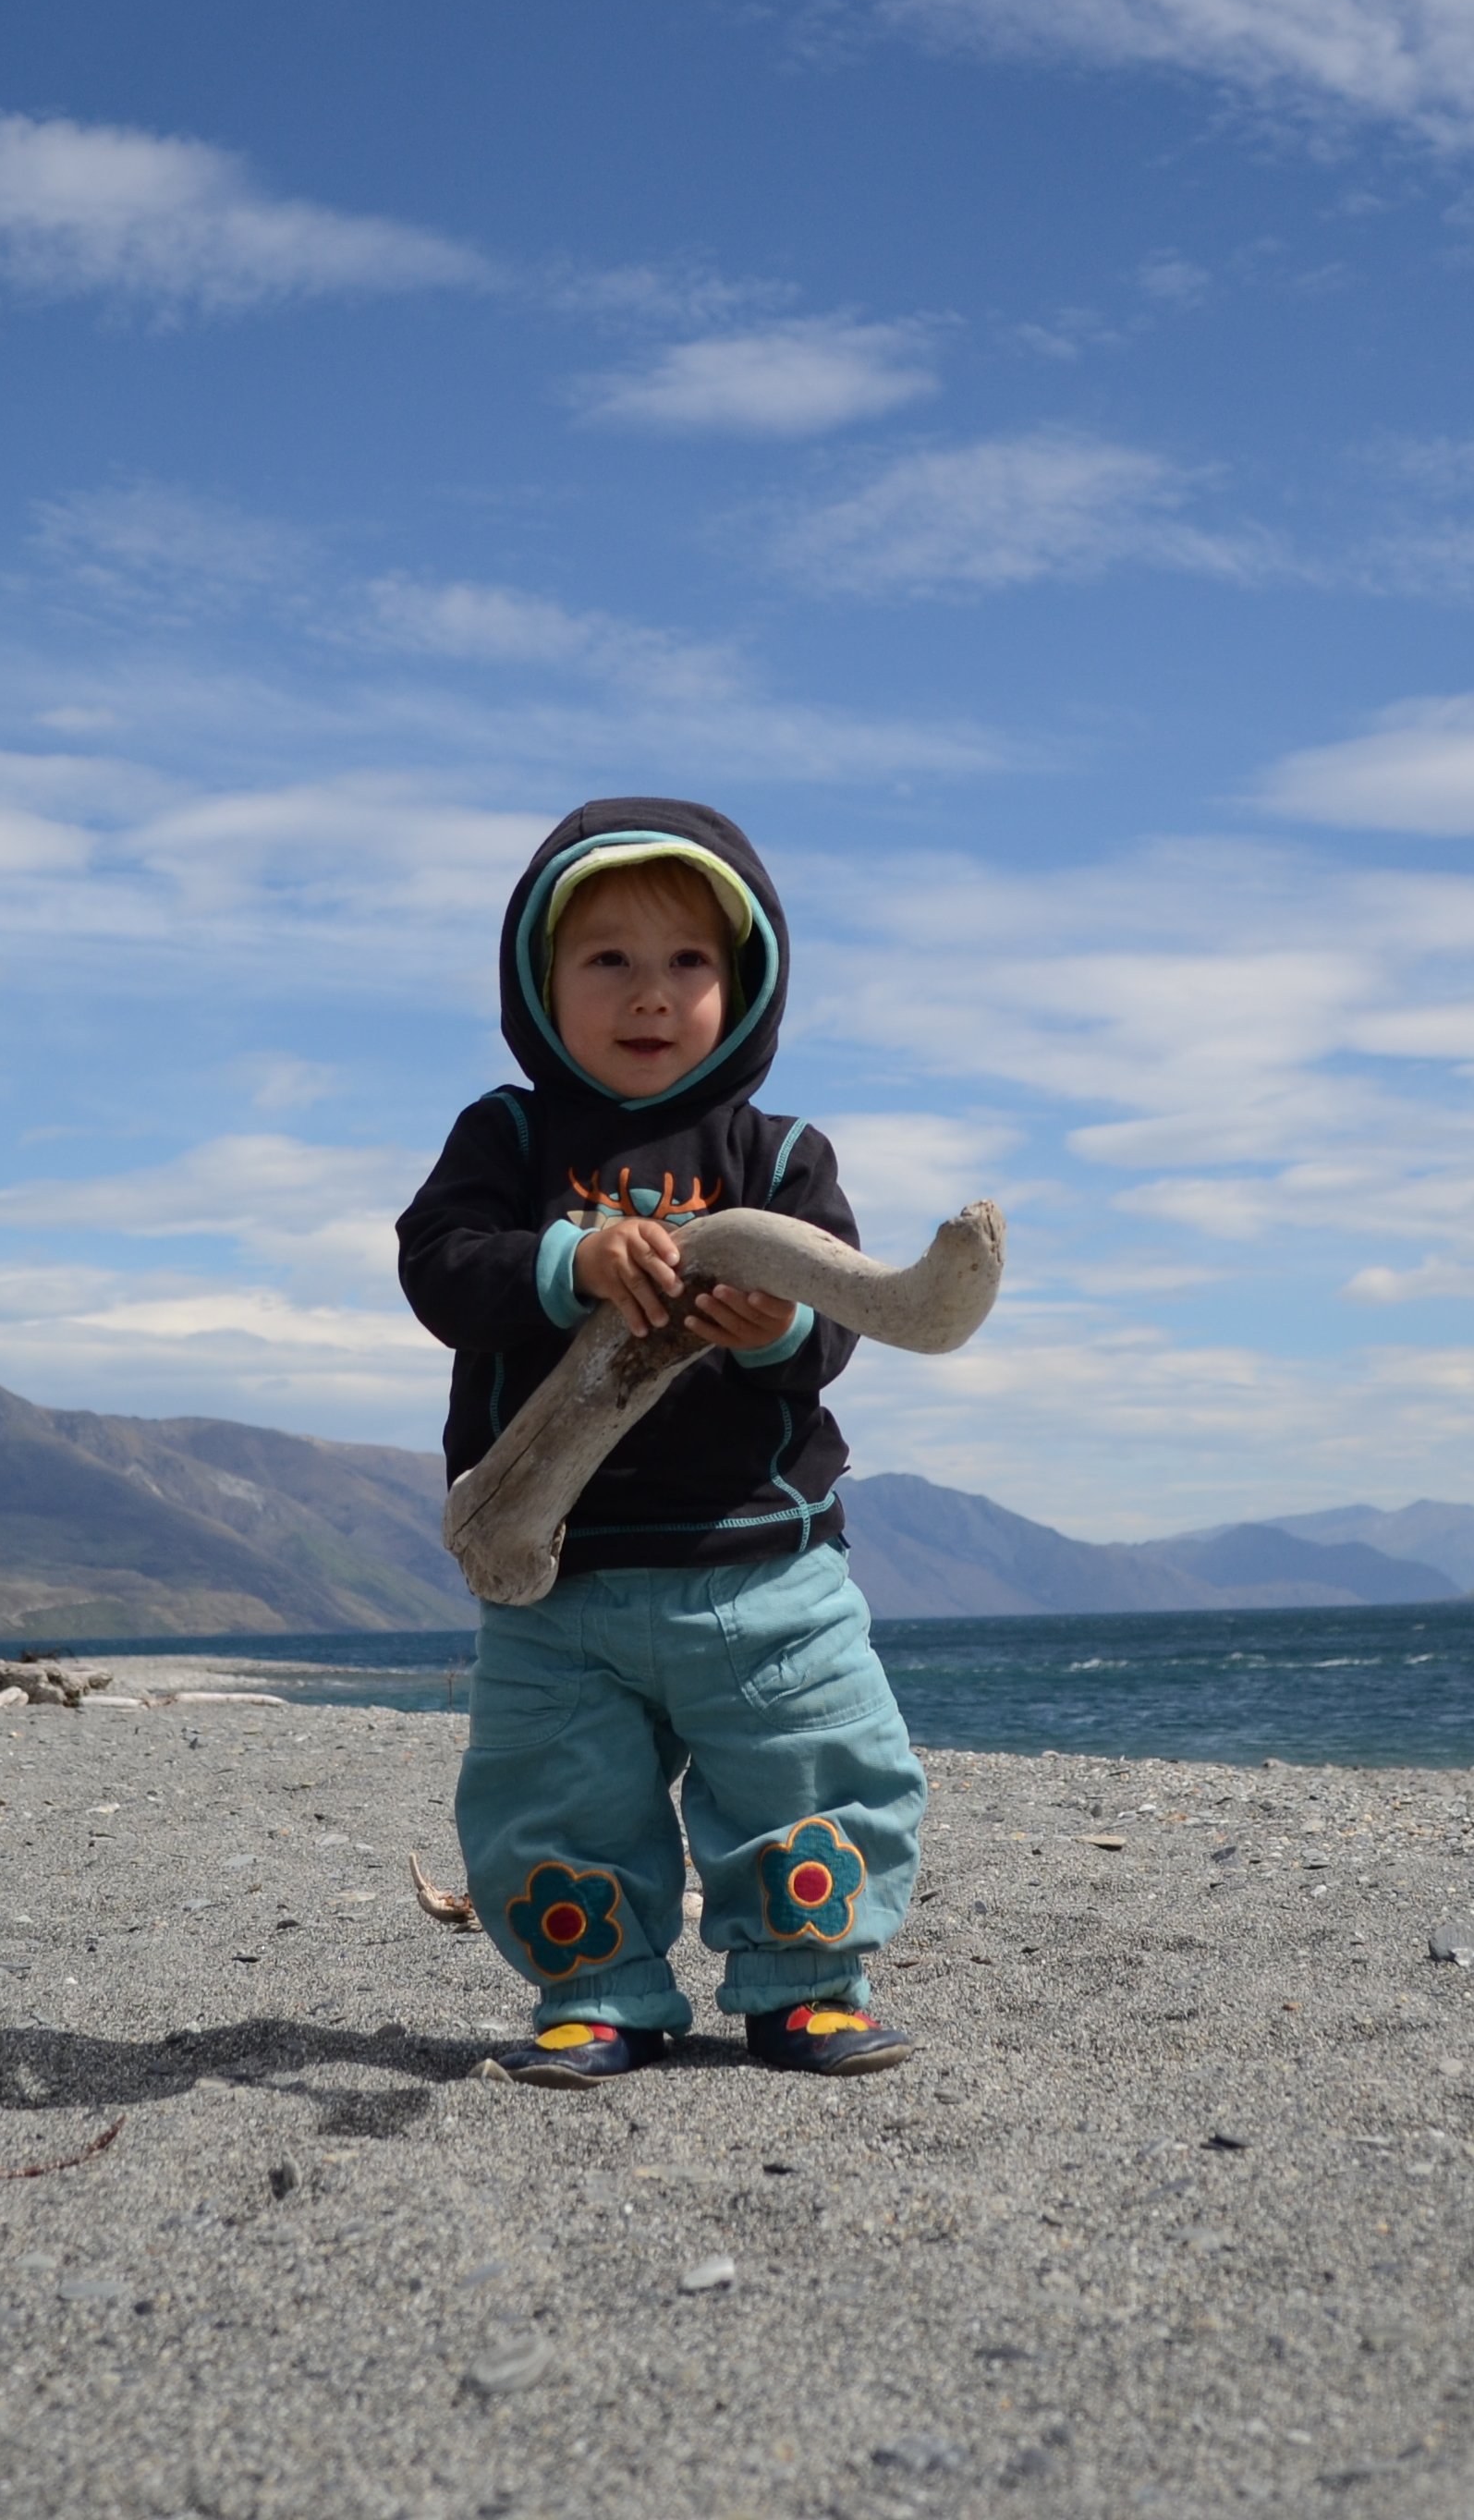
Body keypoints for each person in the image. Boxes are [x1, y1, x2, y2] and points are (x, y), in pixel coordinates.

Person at [394, 797, 926, 2086]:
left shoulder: (782, 1154)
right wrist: (569, 1260)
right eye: (609, 961)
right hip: (554, 1567)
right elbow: (439, 1270)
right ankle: (600, 1990)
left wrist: (766, 1328)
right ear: (541, 981)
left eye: (689, 961)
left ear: (742, 987)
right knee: (555, 1793)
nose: (651, 994)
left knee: (805, 1768)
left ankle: (808, 1984)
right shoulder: (507, 1139)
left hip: (764, 1569)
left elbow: (838, 1326)